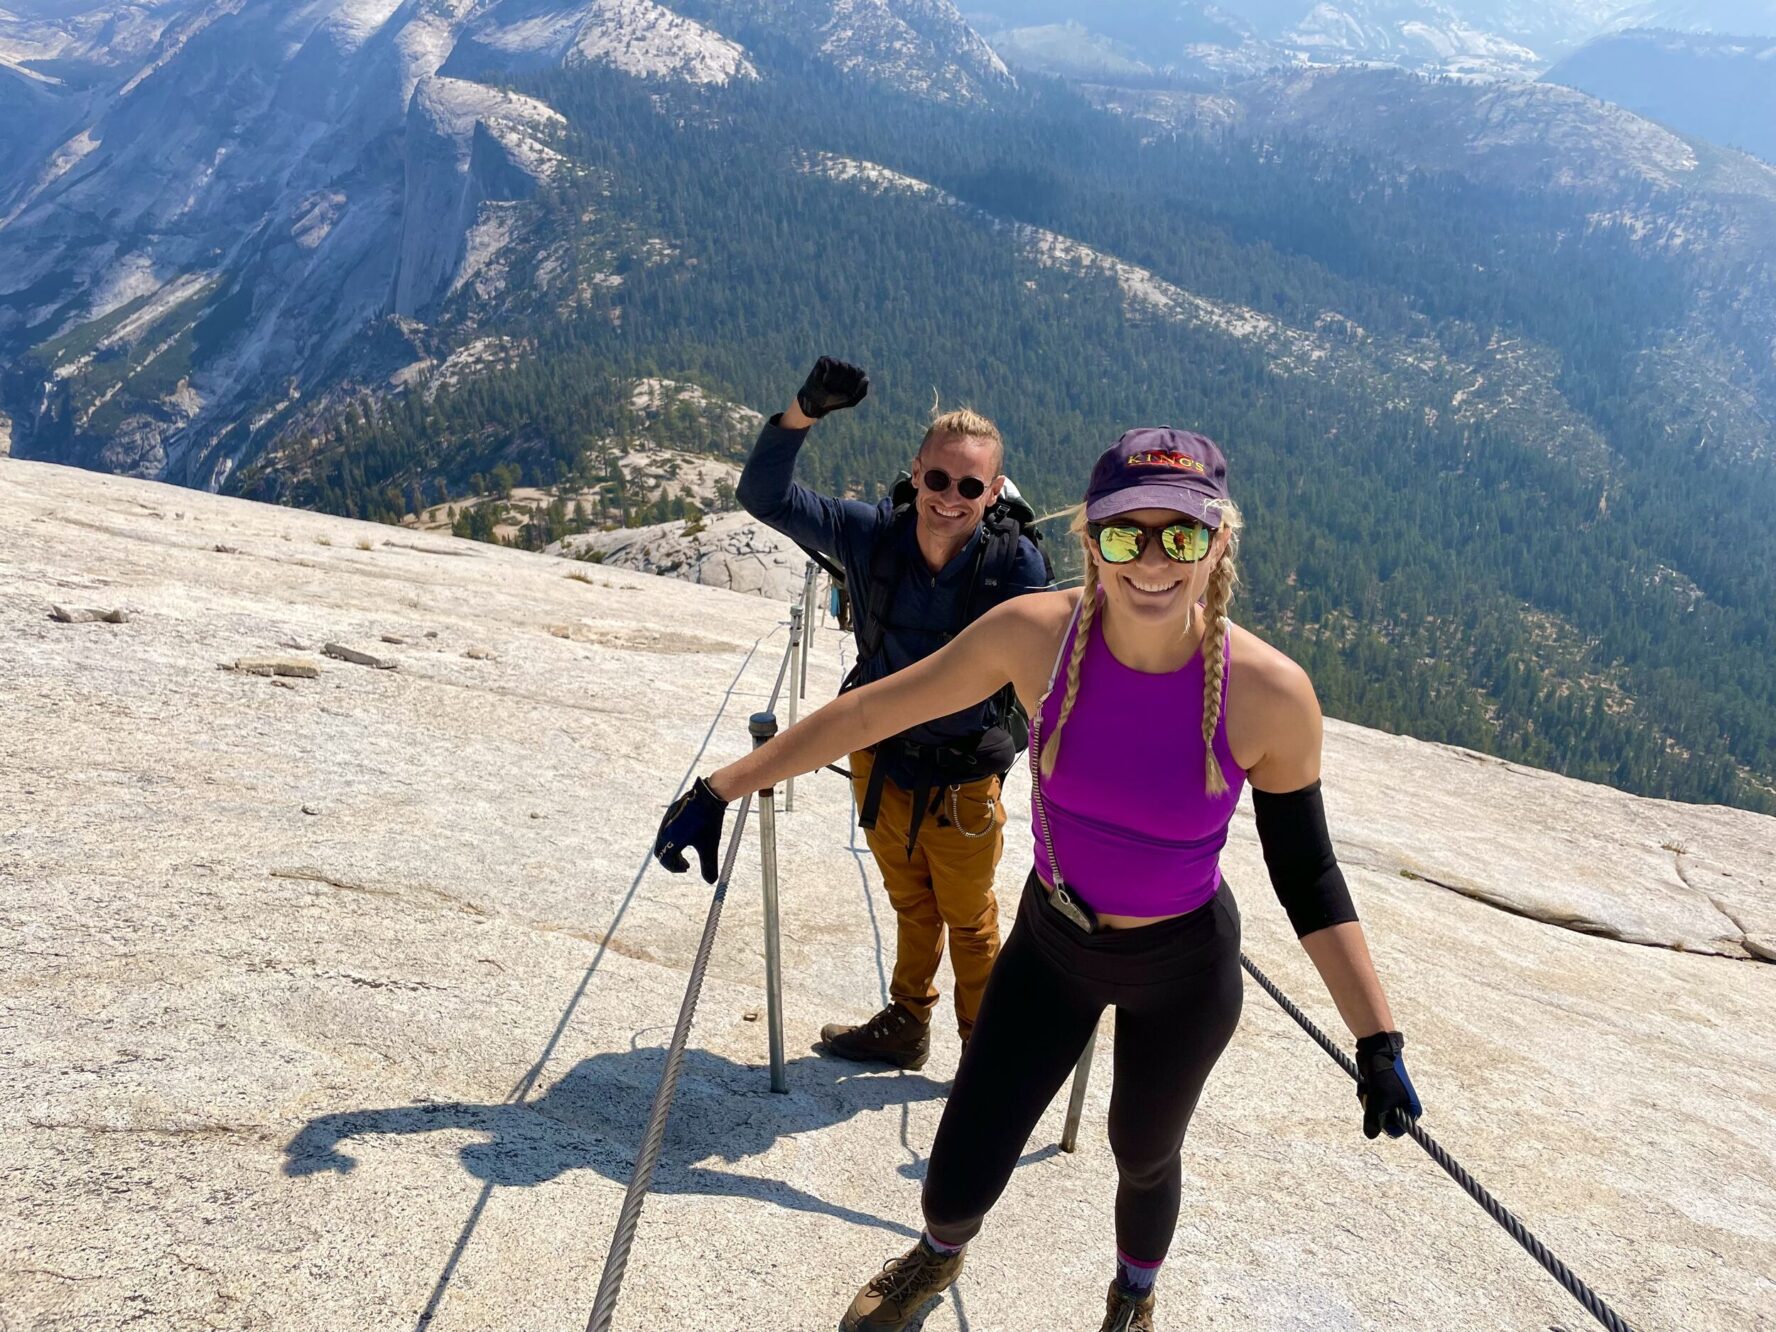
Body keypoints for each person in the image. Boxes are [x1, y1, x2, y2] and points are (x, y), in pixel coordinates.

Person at [657, 426, 1424, 1332]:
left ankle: (1132, 1297)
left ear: (1220, 541)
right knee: (956, 1176)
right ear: (1087, 538)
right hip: (1052, 949)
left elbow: (1311, 876)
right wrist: (722, 786)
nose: (1149, 560)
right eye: (1121, 534)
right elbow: (873, 709)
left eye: (1178, 535)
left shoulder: (1271, 693)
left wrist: (1377, 1039)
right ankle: (937, 1257)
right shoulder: (1036, 639)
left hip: (1183, 973)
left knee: (1143, 1152)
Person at [734, 357, 1050, 1070]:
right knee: (910, 904)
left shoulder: (1014, 569)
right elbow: (763, 496)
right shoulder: (871, 535)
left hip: (964, 778)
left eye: (970, 485)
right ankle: (909, 1021)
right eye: (937, 479)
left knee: (970, 922)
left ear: (993, 490)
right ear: (916, 473)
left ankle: (985, 1055)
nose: (949, 496)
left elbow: (1046, 678)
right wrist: (802, 413)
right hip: (880, 762)